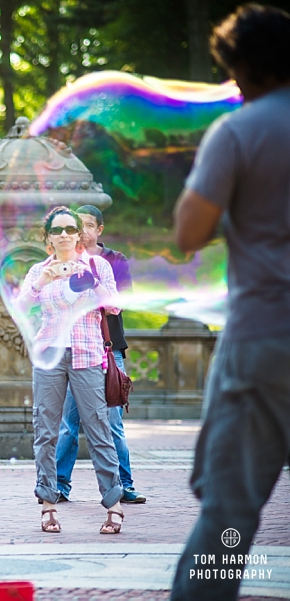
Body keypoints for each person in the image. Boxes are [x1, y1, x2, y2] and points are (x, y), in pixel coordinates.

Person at [170, 6, 290, 600]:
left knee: (228, 510)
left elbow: (188, 233)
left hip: (265, 339)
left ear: (243, 66)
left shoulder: (239, 131)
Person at [15, 206, 124, 535]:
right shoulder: (39, 270)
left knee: (98, 428)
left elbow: (114, 306)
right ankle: (48, 504)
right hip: (49, 354)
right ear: (48, 238)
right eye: (56, 230)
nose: (64, 234)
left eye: (69, 229)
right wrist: (41, 283)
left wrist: (91, 282)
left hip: (87, 353)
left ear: (78, 235)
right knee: (45, 430)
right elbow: (19, 309)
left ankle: (114, 504)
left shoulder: (98, 266)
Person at [53, 205, 146, 505]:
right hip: (76, 350)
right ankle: (59, 486)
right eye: (78, 226)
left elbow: (121, 301)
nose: (83, 231)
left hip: (108, 349)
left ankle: (124, 485)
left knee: (112, 423)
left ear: (100, 229)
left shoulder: (114, 261)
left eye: (89, 225)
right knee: (69, 425)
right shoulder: (64, 260)